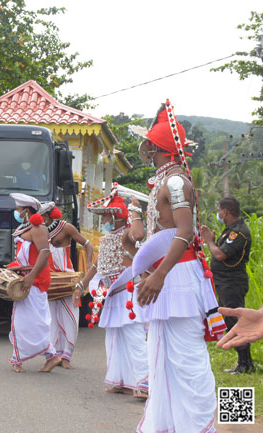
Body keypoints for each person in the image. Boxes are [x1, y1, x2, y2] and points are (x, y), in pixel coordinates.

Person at [135, 100, 224, 433]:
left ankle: (200, 427)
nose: (144, 148)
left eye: (149, 143)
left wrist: (158, 274)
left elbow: (185, 232)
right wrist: (147, 269)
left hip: (177, 277)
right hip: (165, 276)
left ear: (157, 147)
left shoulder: (175, 182)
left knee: (188, 362)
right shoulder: (165, 181)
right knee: (163, 363)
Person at [79, 193, 148, 399]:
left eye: (106, 217)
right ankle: (122, 381)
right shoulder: (107, 238)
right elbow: (97, 265)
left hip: (126, 292)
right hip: (112, 293)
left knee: (134, 338)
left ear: (116, 216)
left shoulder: (127, 234)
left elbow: (139, 234)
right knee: (114, 339)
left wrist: (135, 210)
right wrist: (81, 284)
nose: (103, 222)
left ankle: (145, 382)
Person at [7, 193, 60, 373]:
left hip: (35, 281)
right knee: (23, 320)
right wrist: (14, 269)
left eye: (18, 209)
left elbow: (44, 254)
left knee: (33, 321)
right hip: (26, 278)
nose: (16, 212)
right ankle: (40, 357)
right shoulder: (27, 227)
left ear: (26, 211)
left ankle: (48, 356)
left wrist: (30, 276)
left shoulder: (38, 228)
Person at [39, 202, 93, 369]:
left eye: (40, 217)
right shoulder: (38, 231)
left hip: (67, 279)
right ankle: (53, 354)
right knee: (50, 319)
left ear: (47, 216)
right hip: (48, 280)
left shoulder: (66, 227)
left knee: (70, 317)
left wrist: (89, 264)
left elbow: (88, 244)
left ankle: (67, 356)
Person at [201, 197, 252, 373]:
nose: (218, 213)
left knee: (235, 320)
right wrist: (213, 240)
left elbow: (220, 255)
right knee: (230, 320)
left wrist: (209, 241)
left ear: (225, 212)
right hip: (225, 282)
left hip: (232, 283)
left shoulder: (238, 233)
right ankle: (243, 362)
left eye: (219, 210)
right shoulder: (228, 231)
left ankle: (246, 364)